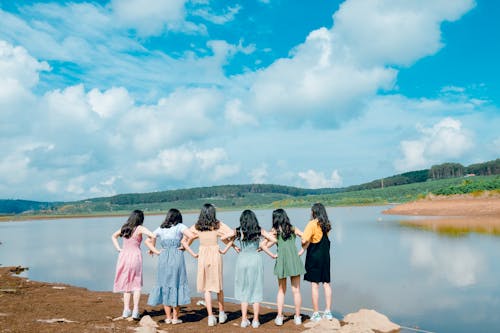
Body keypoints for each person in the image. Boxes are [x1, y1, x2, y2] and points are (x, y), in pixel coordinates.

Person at [147, 208, 198, 324]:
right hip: (177, 255)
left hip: (163, 256)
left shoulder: (161, 228)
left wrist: (155, 250)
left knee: (165, 284)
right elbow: (193, 235)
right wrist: (184, 245)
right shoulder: (180, 226)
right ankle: (175, 318)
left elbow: (149, 239)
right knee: (177, 283)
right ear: (178, 217)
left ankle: (168, 318)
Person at [187, 203, 234, 326]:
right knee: (218, 285)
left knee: (207, 288)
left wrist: (187, 245)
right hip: (215, 253)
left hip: (203, 254)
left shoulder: (197, 225)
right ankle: (222, 314)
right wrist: (224, 238)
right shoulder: (217, 224)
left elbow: (188, 235)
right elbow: (232, 232)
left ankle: (210, 317)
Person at [233, 209, 277, 328]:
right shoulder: (259, 230)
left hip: (242, 260)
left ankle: (243, 320)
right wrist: (262, 246)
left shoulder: (239, 231)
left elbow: (224, 237)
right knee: (256, 288)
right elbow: (274, 239)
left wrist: (234, 247)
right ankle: (256, 320)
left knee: (243, 289)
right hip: (255, 259)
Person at [262, 208, 306, 326]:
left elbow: (263, 245)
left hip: (281, 261)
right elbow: (306, 237)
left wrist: (272, 255)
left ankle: (280, 317)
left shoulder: (274, 230)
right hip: (294, 260)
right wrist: (302, 250)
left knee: (281, 291)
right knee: (296, 291)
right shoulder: (293, 228)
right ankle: (297, 317)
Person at [111, 209, 157, 320]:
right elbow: (153, 236)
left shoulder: (125, 227)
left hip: (124, 256)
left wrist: (118, 248)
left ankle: (126, 310)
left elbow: (113, 236)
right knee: (136, 284)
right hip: (135, 256)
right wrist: (152, 248)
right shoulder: (140, 228)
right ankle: (135, 310)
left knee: (127, 285)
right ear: (140, 218)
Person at [301, 203, 333, 322]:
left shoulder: (312, 224)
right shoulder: (327, 225)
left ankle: (316, 313)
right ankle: (328, 312)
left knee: (315, 285)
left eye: (311, 211)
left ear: (314, 212)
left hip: (314, 256)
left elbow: (304, 240)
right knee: (326, 283)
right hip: (325, 257)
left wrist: (302, 241)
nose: (310, 213)